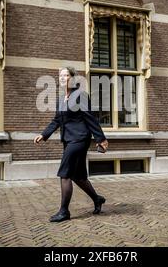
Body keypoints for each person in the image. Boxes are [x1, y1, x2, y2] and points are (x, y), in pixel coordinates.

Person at [34, 67, 109, 222]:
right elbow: (56, 120)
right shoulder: (61, 98)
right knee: (78, 176)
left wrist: (100, 138)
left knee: (65, 173)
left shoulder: (80, 95)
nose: (62, 78)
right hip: (68, 140)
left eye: (66, 75)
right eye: (60, 75)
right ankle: (97, 199)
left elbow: (90, 118)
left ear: (73, 78)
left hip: (80, 139)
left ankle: (64, 211)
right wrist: (44, 134)